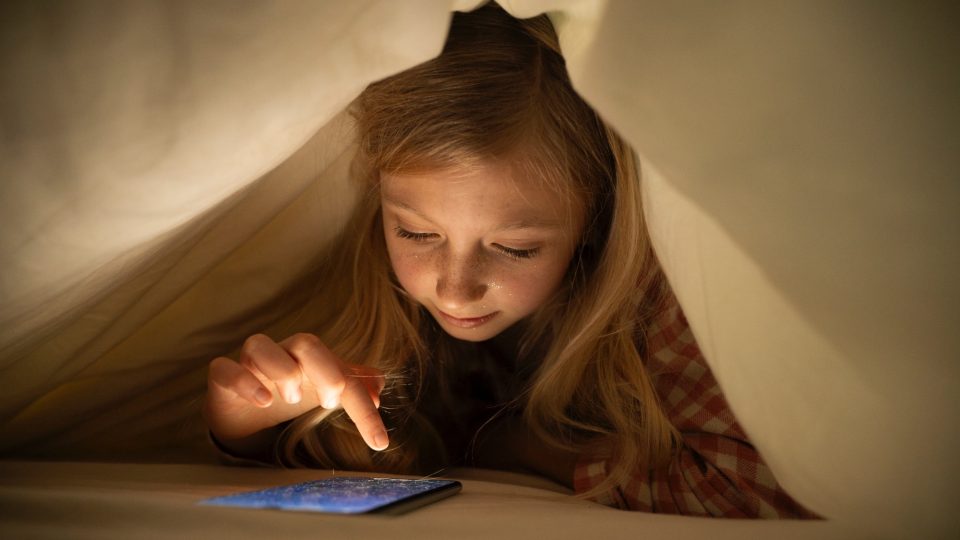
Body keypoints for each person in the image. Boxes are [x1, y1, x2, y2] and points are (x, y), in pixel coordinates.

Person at [203, 2, 816, 518]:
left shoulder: (656, 295)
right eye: (415, 233)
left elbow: (759, 488)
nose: (455, 289)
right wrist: (246, 424)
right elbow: (338, 461)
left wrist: (517, 446)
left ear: (592, 219)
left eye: (516, 247)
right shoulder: (367, 285)